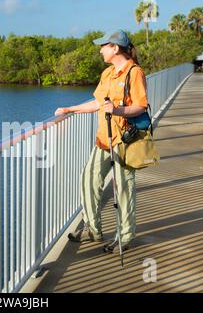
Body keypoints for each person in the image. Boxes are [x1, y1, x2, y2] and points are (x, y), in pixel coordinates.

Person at [54, 30, 148, 253]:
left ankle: (124, 237)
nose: (100, 50)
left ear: (115, 48)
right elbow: (97, 103)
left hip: (126, 140)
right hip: (104, 139)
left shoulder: (134, 73)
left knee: (123, 188)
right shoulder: (107, 73)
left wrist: (117, 110)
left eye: (104, 46)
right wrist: (70, 109)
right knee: (88, 179)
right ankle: (93, 229)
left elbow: (141, 106)